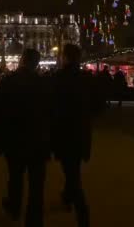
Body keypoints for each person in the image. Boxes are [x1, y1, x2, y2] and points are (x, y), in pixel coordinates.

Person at [0, 49, 50, 227]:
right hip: (38, 139)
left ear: (21, 60)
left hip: (14, 138)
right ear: (36, 63)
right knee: (36, 184)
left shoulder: (8, 81)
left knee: (15, 177)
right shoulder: (43, 83)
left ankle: (14, 207)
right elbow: (50, 113)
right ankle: (34, 219)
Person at [51, 44, 93, 227]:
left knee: (72, 174)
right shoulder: (86, 78)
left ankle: (82, 213)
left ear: (66, 57)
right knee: (72, 169)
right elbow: (97, 104)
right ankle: (67, 197)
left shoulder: (57, 78)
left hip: (64, 131)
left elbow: (50, 105)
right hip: (81, 131)